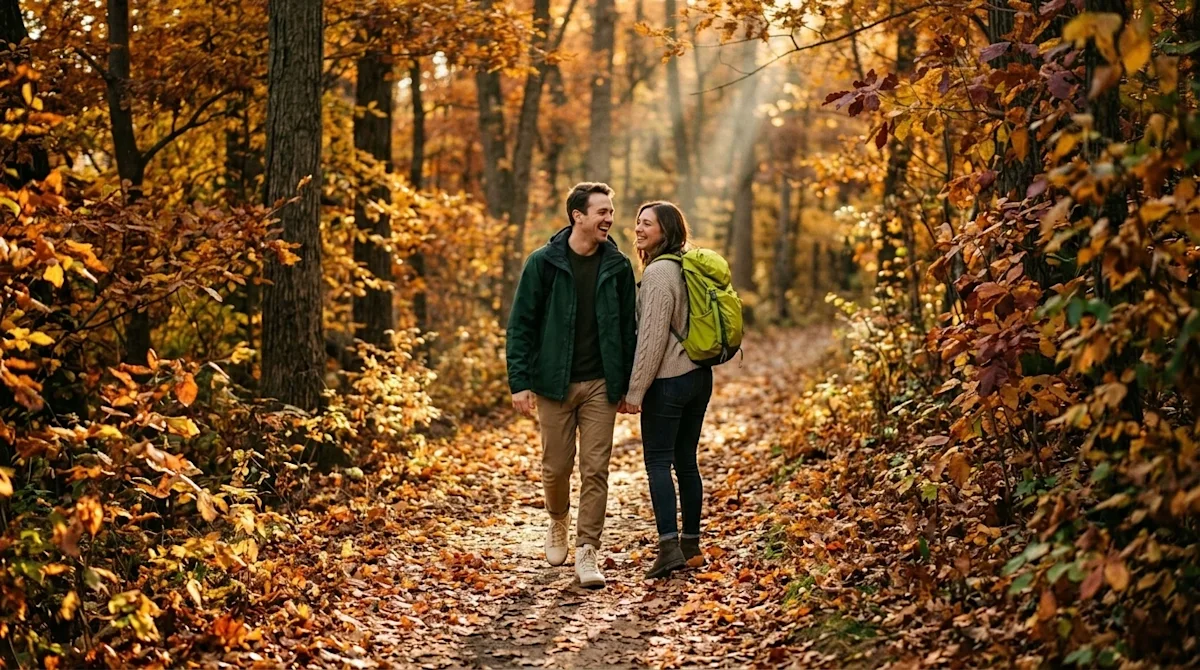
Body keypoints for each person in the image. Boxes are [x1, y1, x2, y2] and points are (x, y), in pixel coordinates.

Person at [506, 182, 638, 589]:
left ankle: (587, 550)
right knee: (557, 467)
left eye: (611, 212)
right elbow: (521, 326)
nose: (609, 219)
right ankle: (558, 520)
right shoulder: (542, 263)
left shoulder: (617, 266)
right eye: (601, 211)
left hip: (601, 383)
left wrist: (630, 386)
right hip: (553, 384)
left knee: (596, 468)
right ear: (577, 215)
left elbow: (628, 330)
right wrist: (520, 382)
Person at [623, 201, 714, 579]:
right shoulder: (686, 266)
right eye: (638, 223)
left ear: (667, 231)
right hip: (699, 377)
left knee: (658, 462)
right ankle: (691, 546)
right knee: (686, 461)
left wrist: (634, 392)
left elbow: (652, 340)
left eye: (648, 224)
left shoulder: (660, 273)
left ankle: (668, 548)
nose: (639, 229)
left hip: (670, 380)